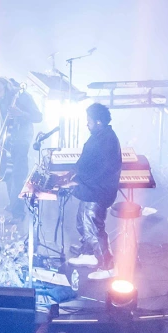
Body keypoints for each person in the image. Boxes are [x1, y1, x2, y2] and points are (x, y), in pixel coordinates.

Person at [0, 77, 42, 218]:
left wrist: (21, 113)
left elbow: (38, 117)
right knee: (7, 172)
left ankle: (19, 212)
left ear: (7, 87)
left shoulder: (23, 96)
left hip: (23, 137)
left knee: (18, 174)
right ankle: (13, 205)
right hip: (8, 137)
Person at [69, 102, 122, 279]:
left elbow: (97, 167)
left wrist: (76, 178)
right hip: (91, 188)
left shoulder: (105, 139)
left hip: (97, 190)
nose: (87, 124)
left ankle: (107, 265)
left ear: (98, 122)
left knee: (93, 226)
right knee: (82, 221)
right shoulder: (102, 135)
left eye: (89, 121)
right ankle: (88, 254)